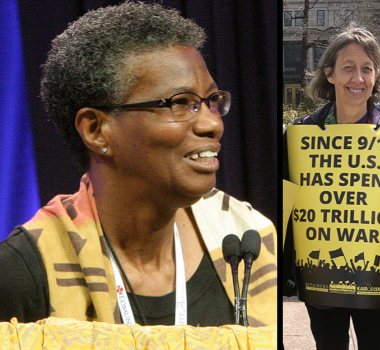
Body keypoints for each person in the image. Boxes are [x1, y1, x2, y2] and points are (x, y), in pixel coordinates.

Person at [0, 2, 276, 327]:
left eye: (212, 101)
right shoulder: (24, 273)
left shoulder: (248, 240)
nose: (212, 124)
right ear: (96, 130)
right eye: (180, 103)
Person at [283, 26, 380, 350]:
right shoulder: (303, 134)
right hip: (322, 276)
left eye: (367, 68)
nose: (358, 78)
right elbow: (289, 206)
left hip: (378, 280)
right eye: (348, 68)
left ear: (377, 74)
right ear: (330, 73)